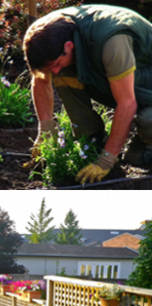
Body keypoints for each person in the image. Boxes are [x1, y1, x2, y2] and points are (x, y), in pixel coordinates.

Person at [23, 4, 152, 183]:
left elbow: (127, 103)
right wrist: (46, 129)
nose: (56, 70)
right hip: (120, 73)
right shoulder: (40, 35)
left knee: (148, 122)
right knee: (63, 74)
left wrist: (107, 160)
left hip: (146, 74)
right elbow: (42, 77)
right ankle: (91, 141)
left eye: (57, 63)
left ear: (68, 46)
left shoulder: (112, 41)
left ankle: (145, 146)